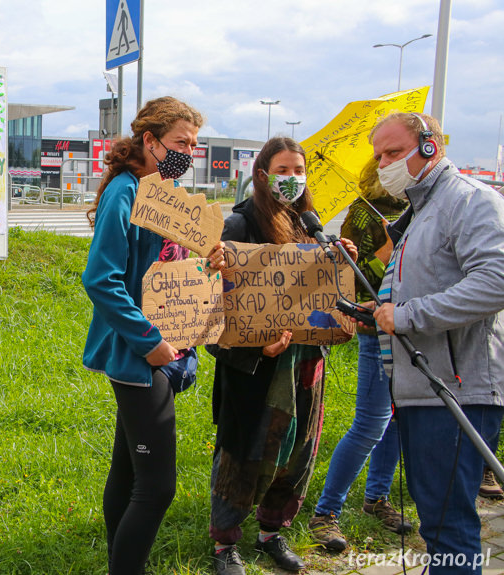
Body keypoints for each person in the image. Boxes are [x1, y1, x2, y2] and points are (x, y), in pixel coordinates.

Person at [81, 96, 224, 575]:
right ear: (150, 140)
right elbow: (101, 278)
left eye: (195, 144)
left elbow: (167, 267)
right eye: (182, 142)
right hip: (141, 357)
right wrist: (149, 341)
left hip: (165, 350)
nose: (190, 152)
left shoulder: (160, 192)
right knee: (157, 487)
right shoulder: (125, 191)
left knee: (127, 472)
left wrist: (210, 259)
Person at [206, 137, 357, 575]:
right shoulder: (239, 226)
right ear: (262, 175)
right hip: (256, 367)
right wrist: (253, 345)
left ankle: (272, 531)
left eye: (298, 171)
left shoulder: (311, 225)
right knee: (244, 451)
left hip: (306, 363)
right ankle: (224, 544)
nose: (292, 179)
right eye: (284, 170)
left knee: (297, 450)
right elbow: (211, 308)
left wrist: (341, 264)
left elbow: (326, 297)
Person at [369, 112, 504, 574]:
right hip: (423, 389)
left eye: (392, 151)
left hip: (455, 387)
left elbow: (495, 280)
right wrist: (383, 310)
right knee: (438, 524)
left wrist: (407, 316)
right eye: (379, 156)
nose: (384, 163)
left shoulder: (467, 200)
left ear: (430, 145)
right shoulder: (421, 211)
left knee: (448, 526)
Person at [308, 157, 411, 551]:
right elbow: (350, 278)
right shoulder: (364, 214)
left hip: (412, 326)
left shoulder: (416, 210)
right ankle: (326, 511)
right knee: (371, 423)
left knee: (399, 419)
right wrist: (384, 253)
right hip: (375, 330)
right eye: (386, 161)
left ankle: (377, 498)